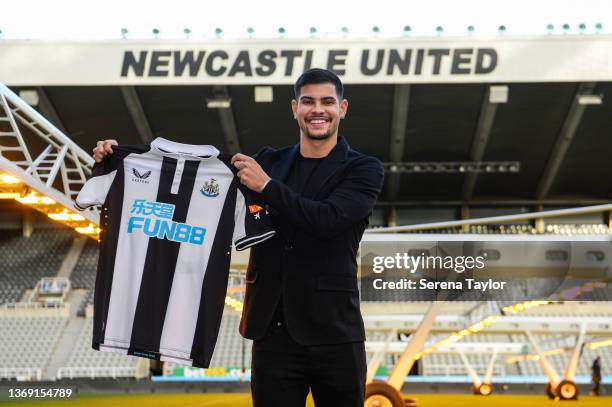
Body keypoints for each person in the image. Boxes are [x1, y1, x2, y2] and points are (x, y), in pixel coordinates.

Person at [92, 68, 385, 407]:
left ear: (342, 108)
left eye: (327, 102)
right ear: (294, 108)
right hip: (270, 333)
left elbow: (329, 221)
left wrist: (267, 187)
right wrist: (120, 157)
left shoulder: (363, 168)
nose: (317, 110)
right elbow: (198, 172)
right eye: (308, 101)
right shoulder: (267, 161)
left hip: (335, 333)